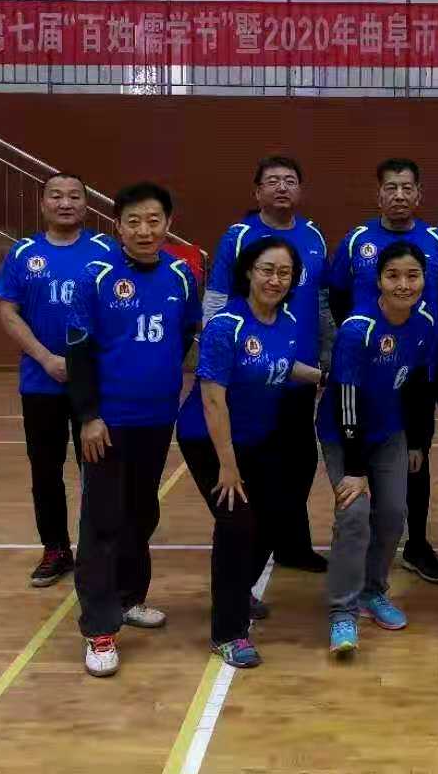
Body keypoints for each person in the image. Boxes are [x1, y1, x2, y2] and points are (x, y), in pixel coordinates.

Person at [64, 182, 200, 679]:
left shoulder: (182, 276)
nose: (145, 230)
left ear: (168, 224)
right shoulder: (95, 277)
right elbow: (78, 352)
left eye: (154, 220)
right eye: (134, 221)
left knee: (142, 512)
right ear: (117, 226)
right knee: (102, 521)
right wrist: (88, 416)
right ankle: (100, 629)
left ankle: (128, 597)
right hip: (107, 423)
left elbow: (184, 335)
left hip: (157, 418)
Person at [179, 238, 325, 669]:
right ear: (248, 272)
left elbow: (280, 366)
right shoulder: (225, 326)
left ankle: (237, 590)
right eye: (267, 270)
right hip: (209, 440)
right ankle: (227, 632)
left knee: (275, 519)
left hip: (256, 438)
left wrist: (323, 377)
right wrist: (228, 466)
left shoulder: (287, 321)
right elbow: (212, 400)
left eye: (284, 272)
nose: (275, 280)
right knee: (237, 524)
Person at [328, 158, 438, 584]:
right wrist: (362, 344)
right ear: (378, 194)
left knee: (415, 456)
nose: (399, 195)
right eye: (391, 188)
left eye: (407, 188)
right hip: (367, 369)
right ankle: (364, 546)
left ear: (419, 194)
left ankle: (415, 545)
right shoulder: (356, 240)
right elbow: (338, 297)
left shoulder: (437, 241)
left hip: (417, 366)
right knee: (363, 450)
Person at [204, 156, 332, 574]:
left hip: (297, 372)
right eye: (272, 181)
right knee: (261, 470)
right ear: (257, 191)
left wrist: (325, 357)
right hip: (251, 377)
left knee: (300, 465)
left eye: (290, 180)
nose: (281, 187)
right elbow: (216, 298)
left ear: (301, 190)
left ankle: (292, 545)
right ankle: (248, 553)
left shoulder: (313, 235)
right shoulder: (239, 236)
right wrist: (216, 355)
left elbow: (321, 302)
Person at [0, 172, 116, 588]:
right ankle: (56, 549)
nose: (65, 203)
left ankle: (98, 551)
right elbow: (8, 313)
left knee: (96, 471)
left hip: (94, 385)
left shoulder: (106, 250)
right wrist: (46, 358)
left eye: (74, 196)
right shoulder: (24, 253)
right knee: (45, 471)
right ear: (43, 203)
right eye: (56, 196)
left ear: (86, 204)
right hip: (40, 382)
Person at [318, 242, 438, 654]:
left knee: (391, 514)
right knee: (354, 514)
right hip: (343, 433)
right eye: (393, 276)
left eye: (412, 276)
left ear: (424, 280)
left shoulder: (424, 322)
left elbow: (419, 384)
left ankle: (372, 591)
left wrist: (417, 440)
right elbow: (346, 399)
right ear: (379, 281)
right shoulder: (358, 329)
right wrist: (355, 469)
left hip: (389, 432)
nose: (404, 284)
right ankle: (342, 611)